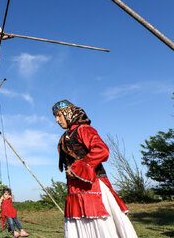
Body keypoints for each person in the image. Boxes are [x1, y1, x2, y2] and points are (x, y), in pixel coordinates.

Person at [52, 100, 138, 238]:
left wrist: (78, 168)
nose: (57, 120)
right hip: (75, 189)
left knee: (100, 226)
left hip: (92, 187)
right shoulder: (65, 136)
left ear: (68, 113)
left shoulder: (83, 129)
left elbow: (101, 150)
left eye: (59, 115)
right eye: (55, 117)